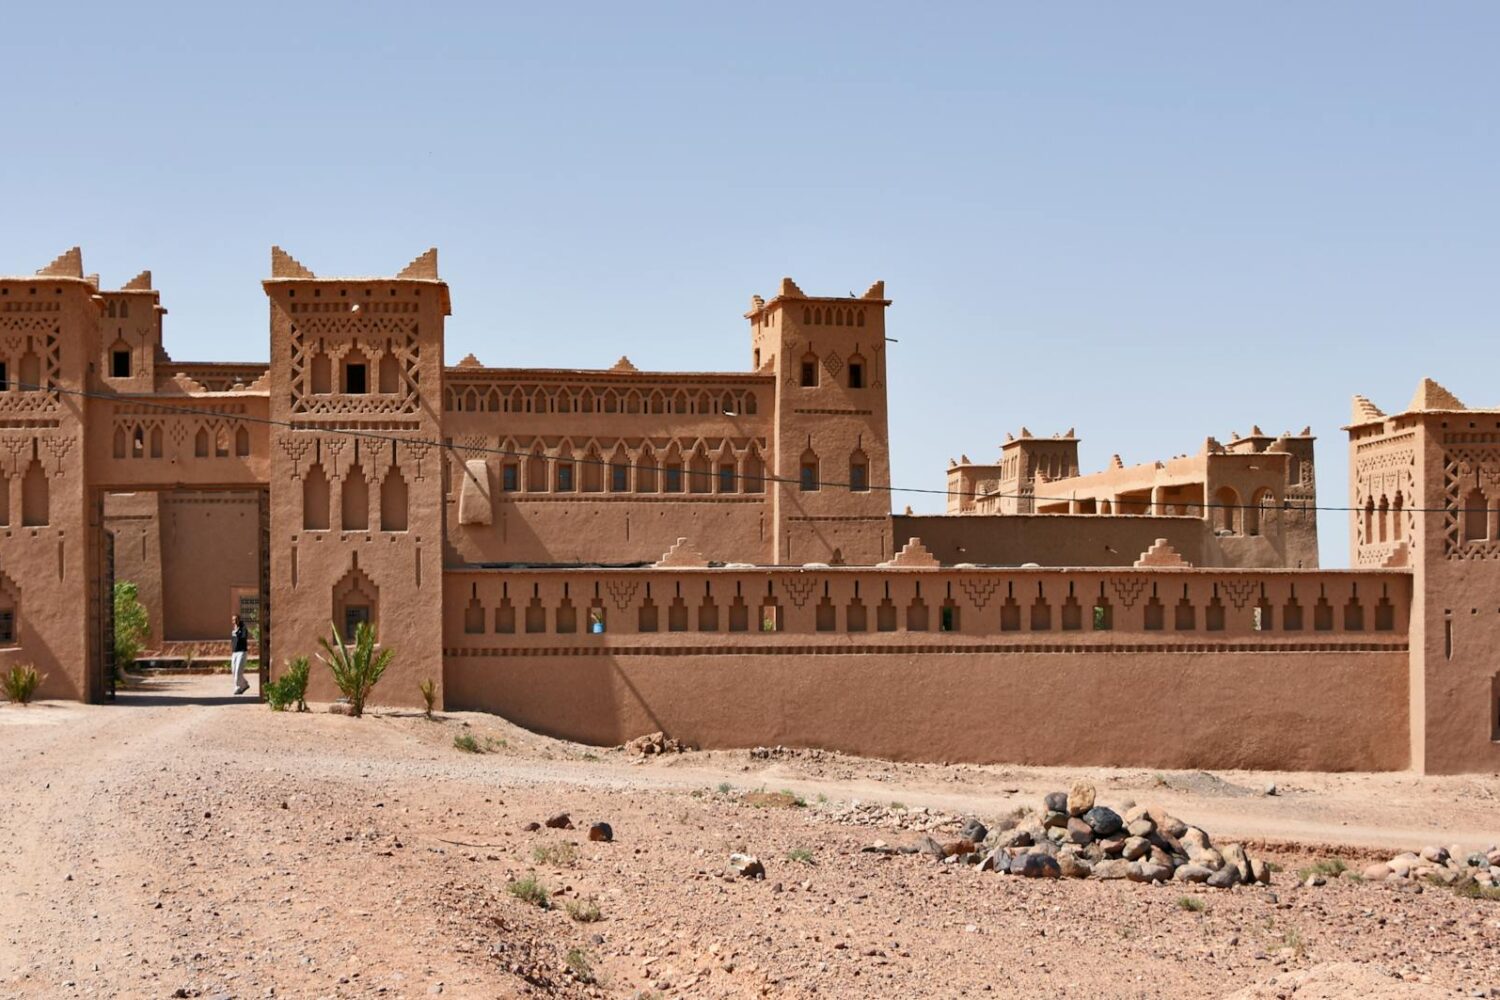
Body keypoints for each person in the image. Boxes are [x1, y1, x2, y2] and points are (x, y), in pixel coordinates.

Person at [230, 614, 250, 696]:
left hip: (242, 652)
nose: (235, 621)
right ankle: (245, 684)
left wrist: (237, 632)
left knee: (238, 670)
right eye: (233, 620)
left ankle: (238, 687)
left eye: (236, 619)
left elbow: (243, 637)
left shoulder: (243, 629)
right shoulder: (233, 630)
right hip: (234, 653)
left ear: (239, 620)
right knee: (234, 671)